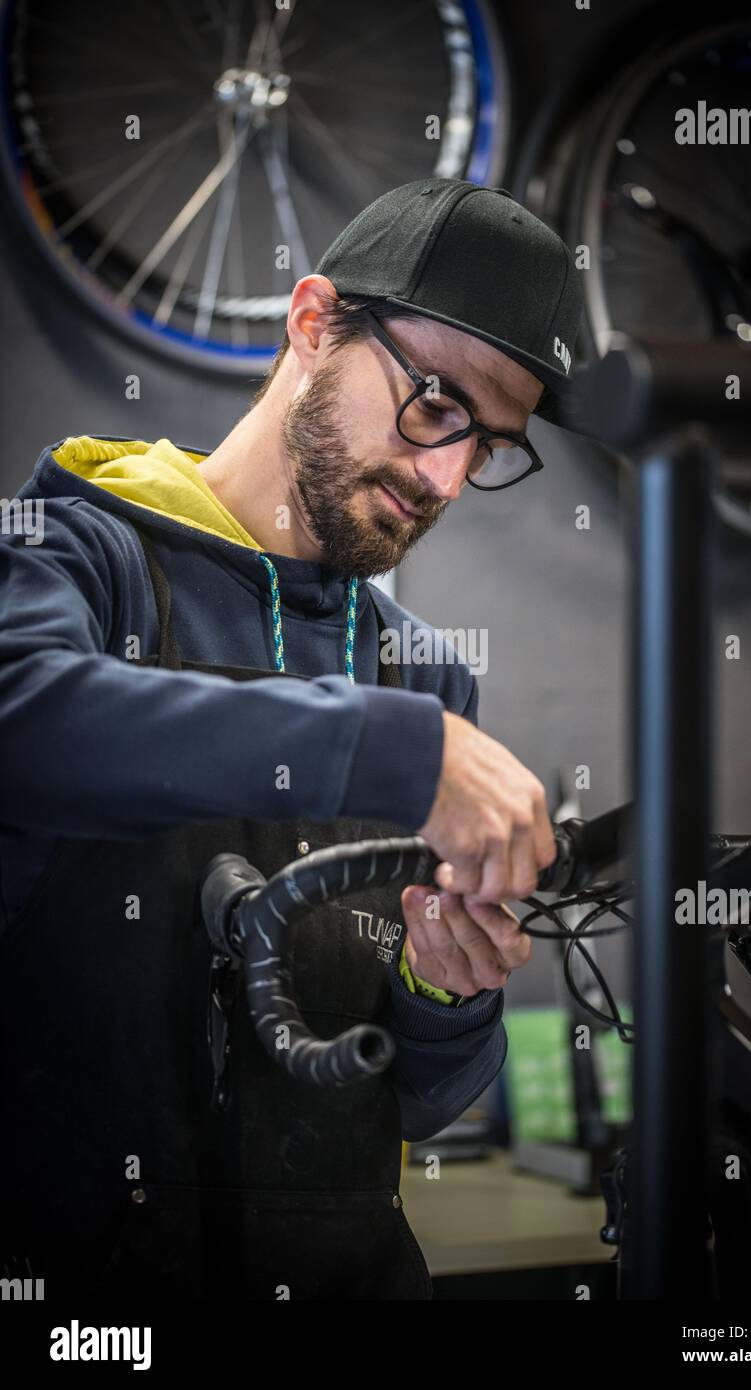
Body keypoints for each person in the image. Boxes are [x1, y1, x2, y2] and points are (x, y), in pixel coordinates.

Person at [0, 177, 582, 1300]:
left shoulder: (422, 674)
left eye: (490, 445)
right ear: (314, 324)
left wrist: (445, 990)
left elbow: (417, 1101)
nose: (444, 475)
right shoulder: (79, 563)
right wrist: (391, 751)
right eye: (434, 403)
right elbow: (26, 719)